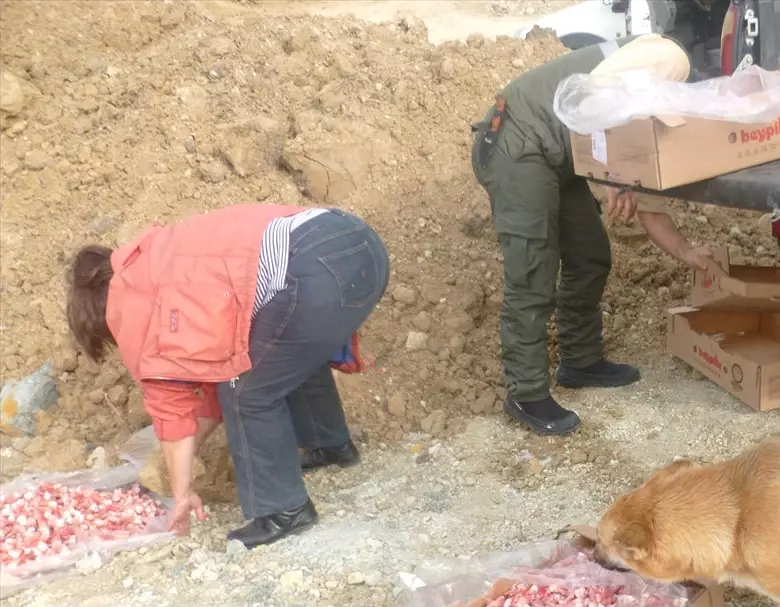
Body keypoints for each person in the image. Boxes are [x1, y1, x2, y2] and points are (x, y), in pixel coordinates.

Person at [65, 204, 390, 548]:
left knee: (246, 390)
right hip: (359, 246)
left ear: (99, 312)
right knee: (279, 355)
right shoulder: (162, 258)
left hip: (316, 268)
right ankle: (332, 445)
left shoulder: (131, 301)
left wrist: (181, 490)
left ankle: (285, 511)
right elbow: (209, 378)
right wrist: (185, 457)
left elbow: (172, 406)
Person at [471, 33, 713, 437]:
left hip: (559, 157)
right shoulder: (668, 58)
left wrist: (688, 252)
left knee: (590, 255)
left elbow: (651, 209)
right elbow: (592, 96)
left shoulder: (657, 113)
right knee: (533, 270)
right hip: (520, 143)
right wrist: (613, 173)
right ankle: (526, 392)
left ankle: (579, 362)